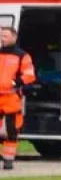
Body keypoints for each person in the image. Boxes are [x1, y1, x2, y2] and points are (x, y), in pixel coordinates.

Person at [0, 27, 36, 170]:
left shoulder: (22, 56)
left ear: (14, 37)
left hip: (11, 97)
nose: (3, 38)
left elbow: (29, 75)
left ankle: (8, 160)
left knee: (11, 131)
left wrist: (16, 83)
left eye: (6, 36)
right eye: (2, 36)